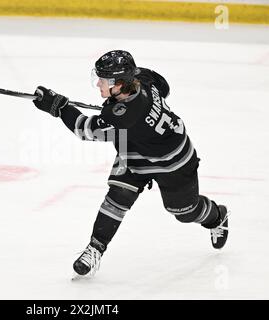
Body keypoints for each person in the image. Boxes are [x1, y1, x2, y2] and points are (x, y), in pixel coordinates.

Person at [32, 50, 229, 278]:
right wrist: (127, 109)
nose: (98, 84)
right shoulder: (141, 79)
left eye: (103, 80)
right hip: (135, 149)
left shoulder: (123, 117)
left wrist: (58, 107)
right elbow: (162, 86)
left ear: (119, 83)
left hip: (173, 162)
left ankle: (217, 215)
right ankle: (95, 249)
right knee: (118, 196)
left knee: (183, 212)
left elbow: (85, 129)